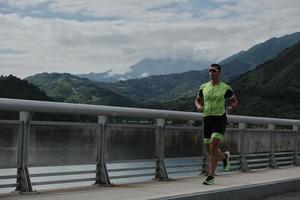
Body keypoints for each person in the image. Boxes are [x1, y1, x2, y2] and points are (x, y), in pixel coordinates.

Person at [194, 63, 239, 185]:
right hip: (207, 119)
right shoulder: (203, 87)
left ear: (219, 72)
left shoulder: (225, 88)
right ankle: (224, 157)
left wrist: (231, 106)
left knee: (213, 146)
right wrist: (199, 106)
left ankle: (211, 176)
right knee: (210, 150)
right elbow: (197, 100)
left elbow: (235, 101)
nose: (211, 73)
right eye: (209, 71)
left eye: (214, 71)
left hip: (219, 118)